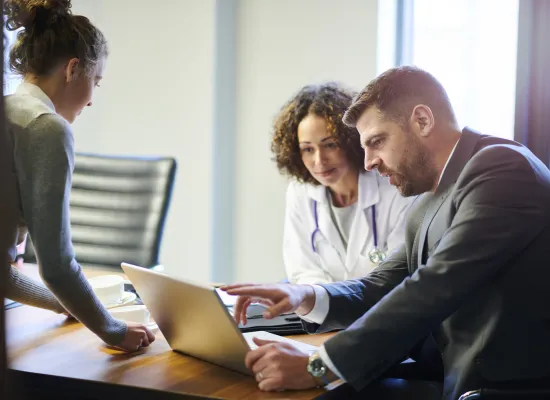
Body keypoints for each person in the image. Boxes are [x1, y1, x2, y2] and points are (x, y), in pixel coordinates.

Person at [222, 66, 550, 399]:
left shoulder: (503, 170)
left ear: (422, 121)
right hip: (447, 376)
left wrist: (318, 367)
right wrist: (305, 296)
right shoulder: (432, 198)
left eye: (377, 142)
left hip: (496, 389)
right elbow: (380, 284)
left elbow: (433, 287)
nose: (368, 162)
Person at [3, 0, 154, 352]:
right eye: (95, 82)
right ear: (72, 70)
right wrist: (114, 330)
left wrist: (67, 304)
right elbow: (56, 266)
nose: (89, 102)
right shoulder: (46, 128)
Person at [272, 83, 411, 284]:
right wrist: (326, 304)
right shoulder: (300, 191)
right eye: (308, 149)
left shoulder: (392, 187)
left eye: (330, 145)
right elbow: (302, 271)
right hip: (321, 311)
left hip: (382, 309)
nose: (319, 160)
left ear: (351, 140)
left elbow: (396, 275)